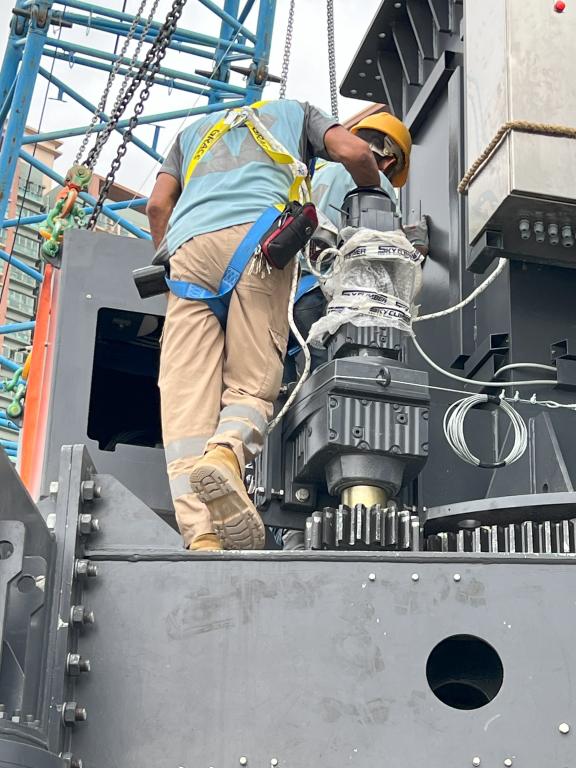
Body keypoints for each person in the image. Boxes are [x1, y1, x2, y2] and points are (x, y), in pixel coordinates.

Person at [146, 99, 382, 552]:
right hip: (258, 242)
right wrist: (375, 199)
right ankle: (226, 453)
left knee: (184, 403)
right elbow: (354, 153)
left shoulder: (191, 133)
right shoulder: (297, 112)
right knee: (253, 382)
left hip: (187, 257)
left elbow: (158, 206)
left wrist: (172, 267)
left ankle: (202, 536)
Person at [290, 111, 428, 379]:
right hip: (324, 300)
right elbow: (383, 248)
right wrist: (414, 246)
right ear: (389, 162)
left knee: (294, 388)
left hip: (292, 296)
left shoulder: (318, 173)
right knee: (336, 384)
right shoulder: (376, 181)